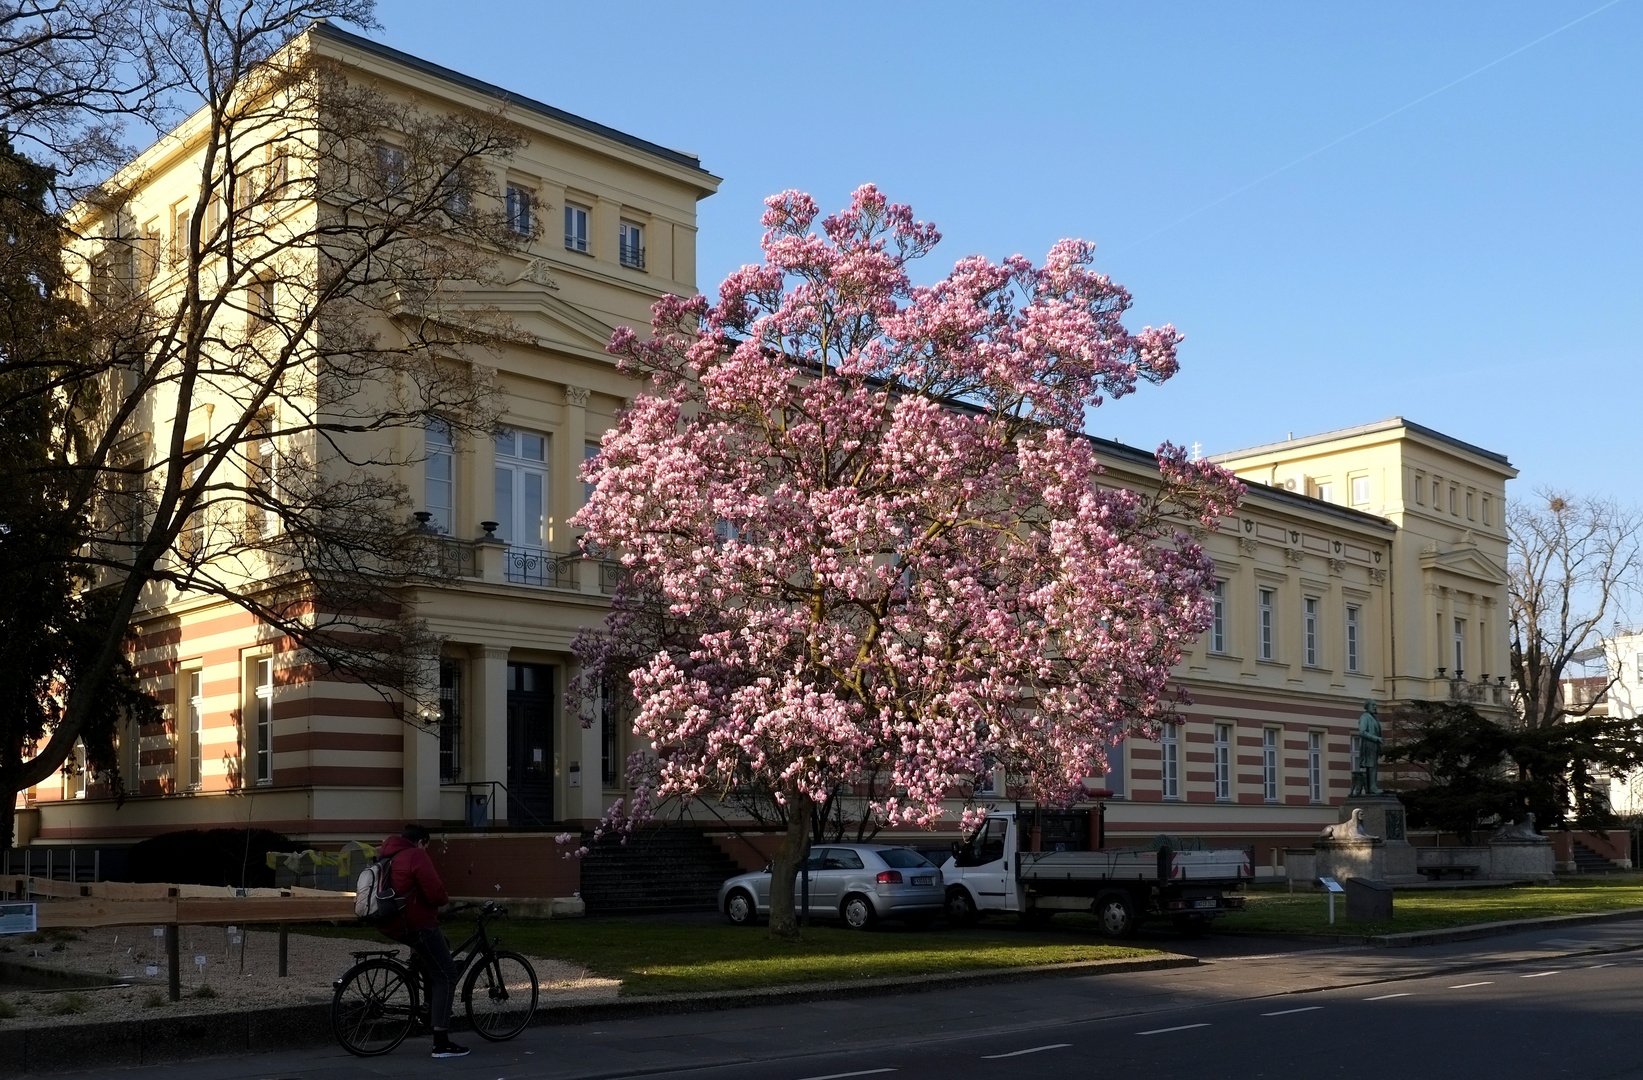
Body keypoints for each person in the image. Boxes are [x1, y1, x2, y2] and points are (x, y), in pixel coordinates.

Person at [376, 823, 467, 1059]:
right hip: (416, 925)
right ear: (421, 842)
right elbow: (436, 894)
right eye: (427, 845)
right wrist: (445, 899)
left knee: (440, 946)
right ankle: (441, 1042)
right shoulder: (416, 855)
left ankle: (427, 1007)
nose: (427, 850)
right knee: (447, 974)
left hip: (392, 922)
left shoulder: (389, 853)